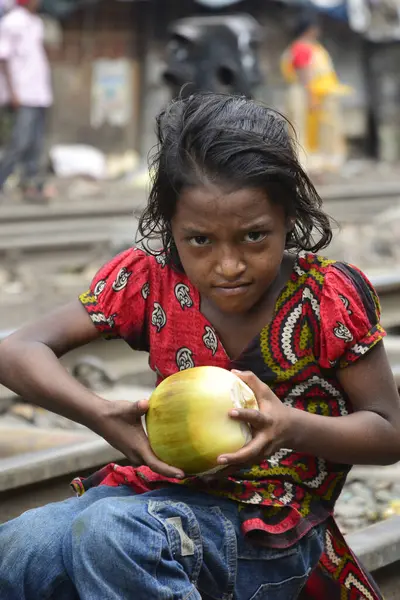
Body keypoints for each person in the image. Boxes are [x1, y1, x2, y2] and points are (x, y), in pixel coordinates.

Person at [0, 93, 398, 600]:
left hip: (272, 530)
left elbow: (390, 432)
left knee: (111, 534)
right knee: (20, 547)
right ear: (170, 229)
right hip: (158, 500)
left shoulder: (326, 300)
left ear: (288, 220)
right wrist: (100, 413)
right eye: (200, 241)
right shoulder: (150, 282)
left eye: (254, 237)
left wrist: (290, 426)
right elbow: (16, 350)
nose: (228, 265)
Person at [280, 13, 352, 174]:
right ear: (310, 30)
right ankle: (308, 163)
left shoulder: (306, 47)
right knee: (306, 130)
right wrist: (311, 98)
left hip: (311, 93)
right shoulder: (302, 48)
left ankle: (317, 163)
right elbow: (304, 74)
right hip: (306, 93)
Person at [0, 0, 53, 201]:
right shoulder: (11, 22)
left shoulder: (36, 22)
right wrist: (12, 92)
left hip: (39, 93)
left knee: (35, 143)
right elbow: (3, 58)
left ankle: (30, 186)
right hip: (22, 94)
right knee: (19, 142)